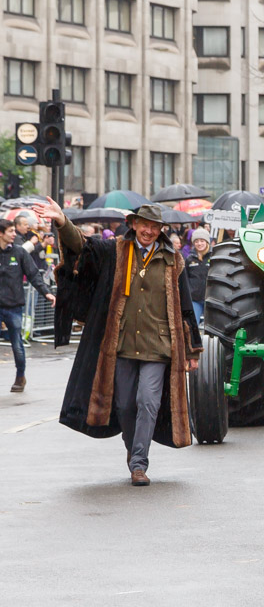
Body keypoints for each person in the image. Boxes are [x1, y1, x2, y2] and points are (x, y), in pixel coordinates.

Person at [34, 199, 202, 486]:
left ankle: (139, 463)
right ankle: (132, 448)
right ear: (133, 224)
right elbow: (82, 246)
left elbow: (186, 307)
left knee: (147, 402)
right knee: (125, 405)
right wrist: (62, 222)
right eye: (144, 225)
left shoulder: (174, 259)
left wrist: (192, 350)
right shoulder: (115, 251)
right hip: (122, 343)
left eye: (154, 226)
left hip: (158, 346)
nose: (148, 231)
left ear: (161, 229)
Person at [0, 219, 55, 392]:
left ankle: (20, 377)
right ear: (1, 234)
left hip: (14, 306)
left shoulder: (20, 252)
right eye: (10, 231)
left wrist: (46, 292)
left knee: (17, 343)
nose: (14, 234)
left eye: (14, 231)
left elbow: (33, 275)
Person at [185, 229, 212, 325]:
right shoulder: (189, 258)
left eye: (202, 241)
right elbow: (185, 278)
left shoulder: (213, 257)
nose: (199, 243)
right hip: (194, 299)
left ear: (207, 242)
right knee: (193, 325)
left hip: (210, 298)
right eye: (196, 241)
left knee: (211, 325)